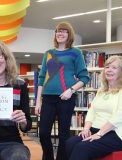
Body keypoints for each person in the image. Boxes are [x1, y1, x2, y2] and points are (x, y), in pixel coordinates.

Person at [35, 22, 89, 160]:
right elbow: (41, 79)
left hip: (66, 97)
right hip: (47, 98)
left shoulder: (75, 52)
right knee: (43, 133)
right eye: (58, 31)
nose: (60, 33)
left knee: (64, 134)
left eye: (64, 31)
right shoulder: (48, 53)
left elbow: (84, 77)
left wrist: (71, 90)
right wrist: (37, 102)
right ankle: (48, 157)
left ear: (69, 34)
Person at [66, 56, 122, 160]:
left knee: (82, 147)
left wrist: (99, 134)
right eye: (107, 67)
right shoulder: (101, 90)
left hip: (118, 134)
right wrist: (86, 129)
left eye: (114, 67)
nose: (109, 70)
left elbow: (121, 115)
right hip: (96, 130)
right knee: (70, 143)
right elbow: (92, 111)